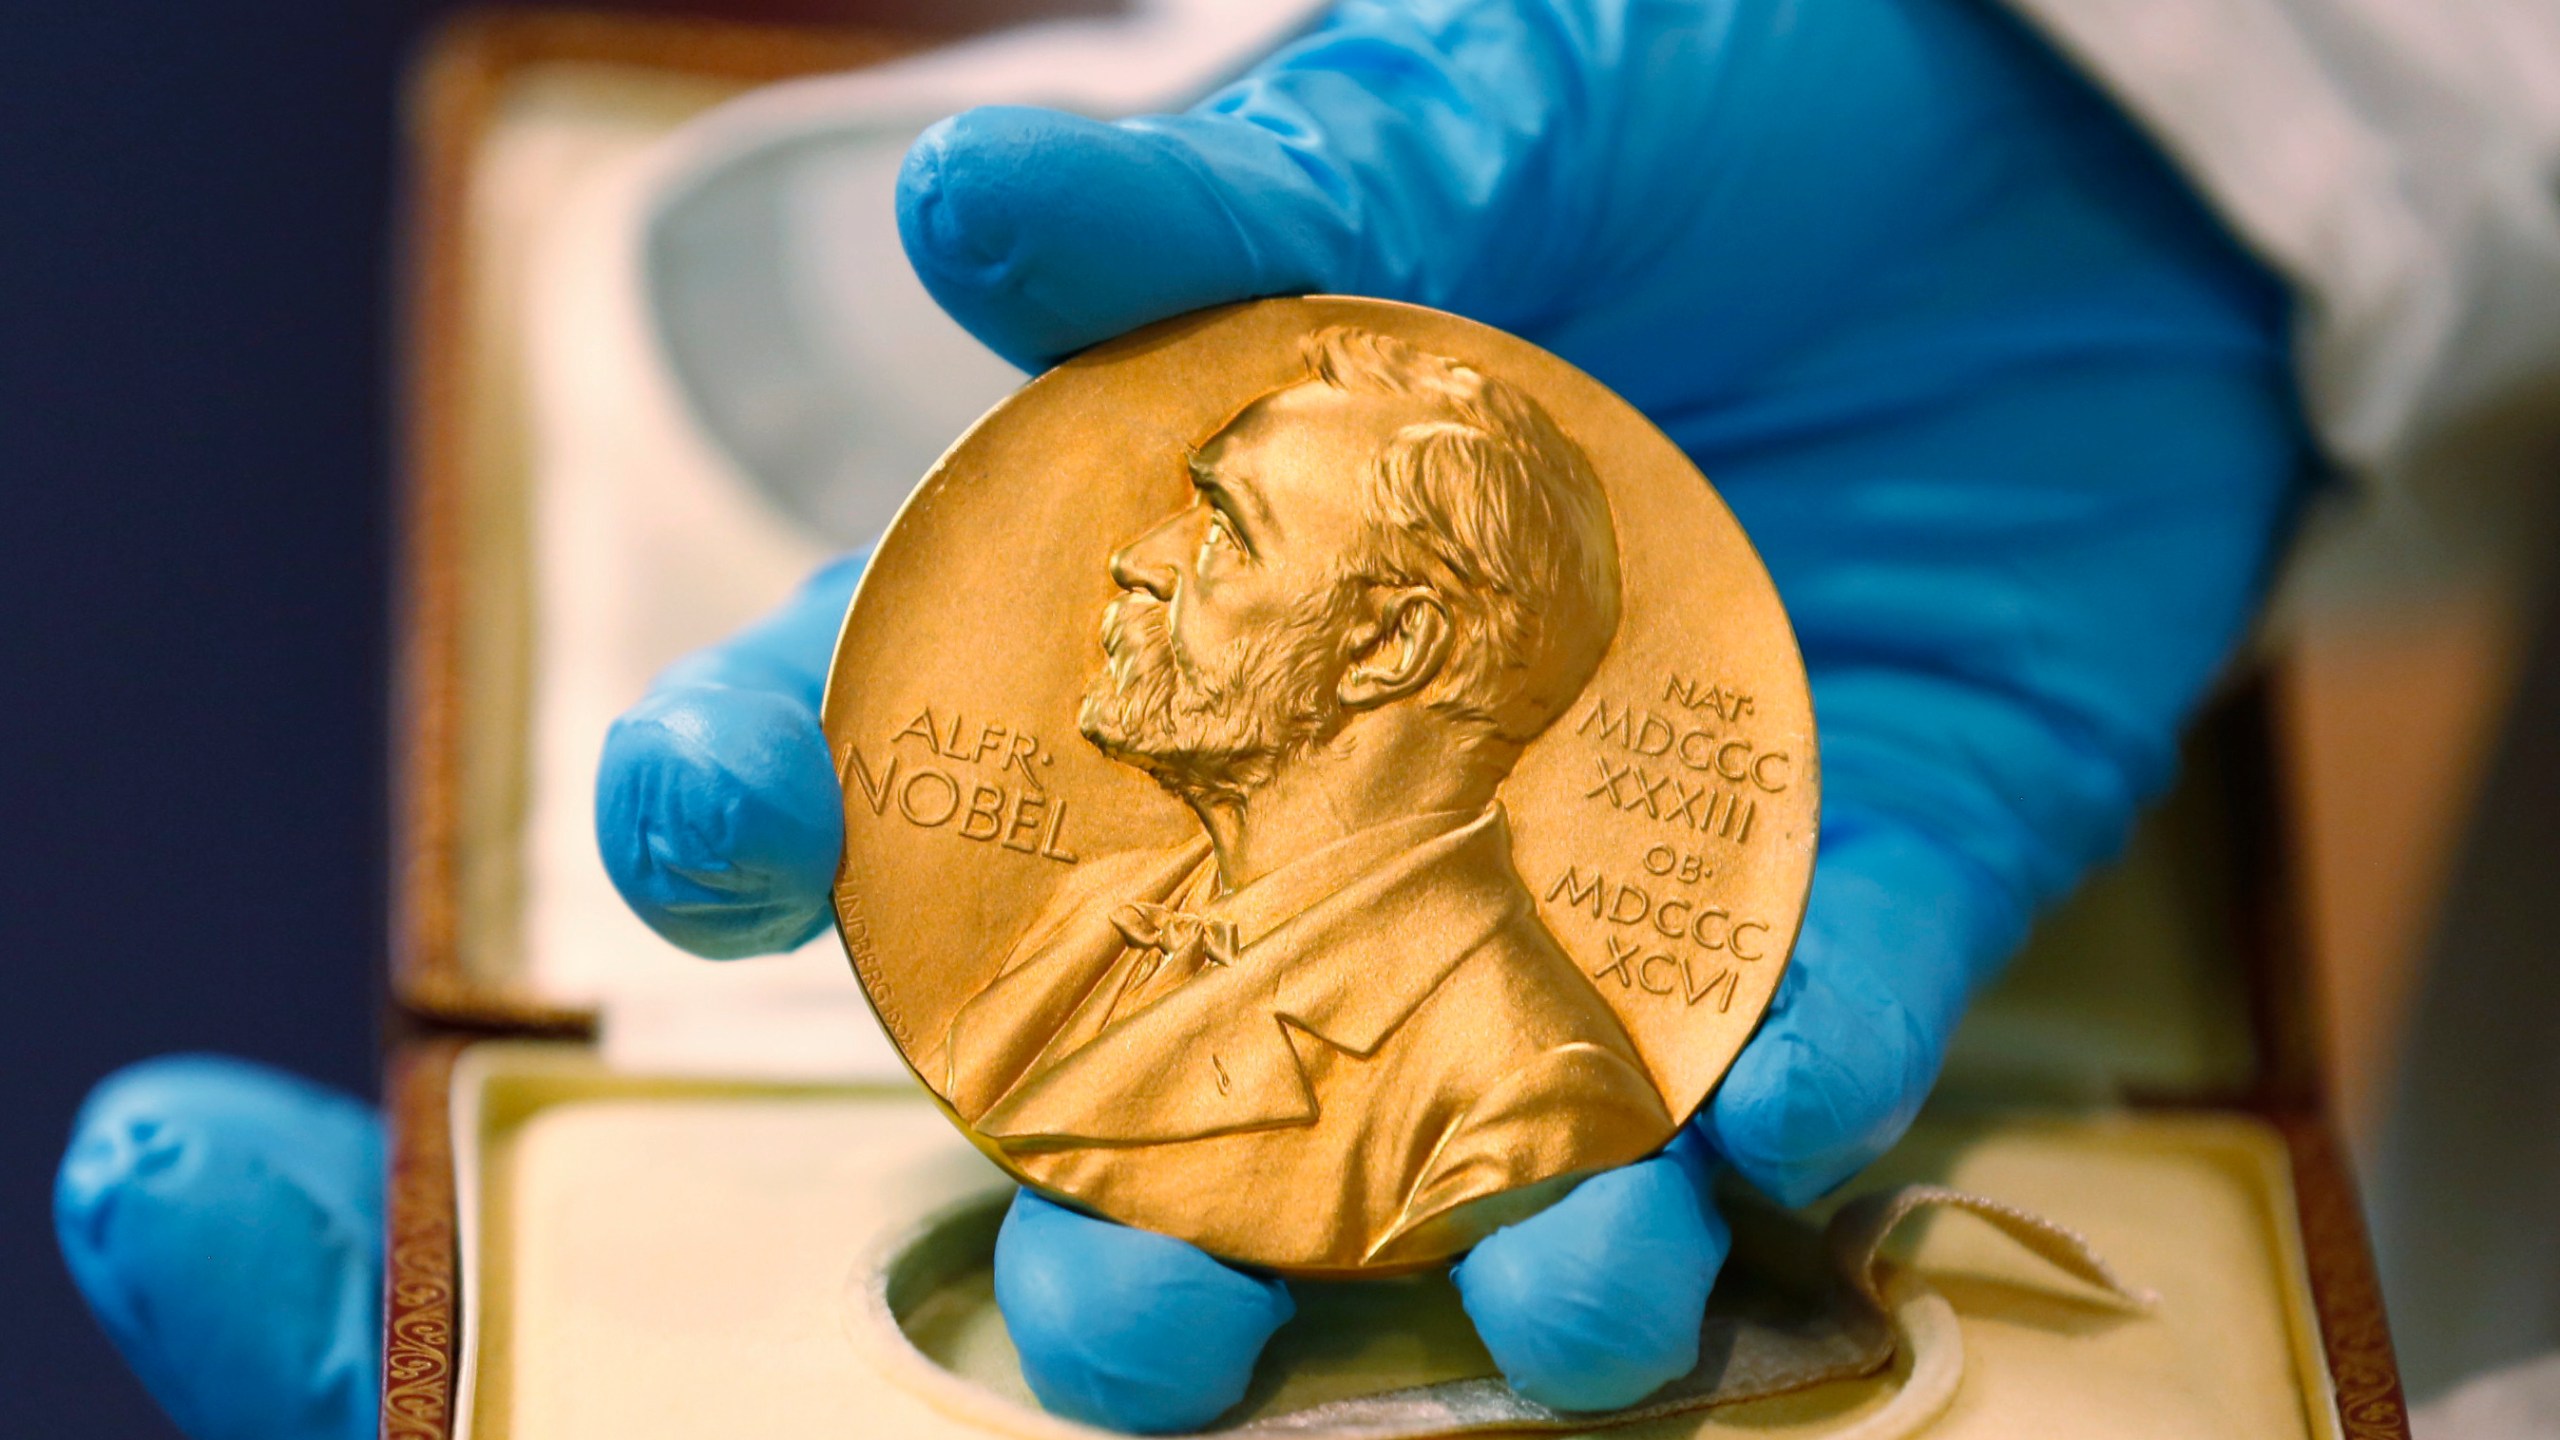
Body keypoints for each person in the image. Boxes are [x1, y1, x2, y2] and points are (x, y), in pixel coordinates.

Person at [53, 0, 2560, 1437]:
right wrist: (2232, 80)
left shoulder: (1503, 1070)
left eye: (1220, 526)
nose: (1123, 543)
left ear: (1386, 649)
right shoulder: (1091, 961)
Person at [942, 325, 1665, 1272]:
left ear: (1388, 646)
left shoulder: (1530, 1095)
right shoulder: (1096, 910)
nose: (1137, 559)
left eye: (1222, 529)